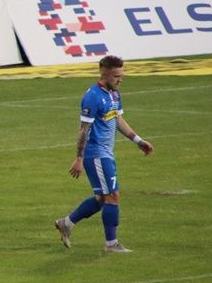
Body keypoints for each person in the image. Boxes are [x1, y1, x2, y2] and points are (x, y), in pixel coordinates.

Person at [55, 55, 154, 253]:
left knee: (102, 198)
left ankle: (67, 223)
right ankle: (111, 244)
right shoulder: (93, 97)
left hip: (106, 153)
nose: (120, 80)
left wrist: (138, 140)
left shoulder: (114, 94)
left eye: (121, 75)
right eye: (116, 76)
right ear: (104, 73)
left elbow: (118, 120)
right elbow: (83, 130)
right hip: (96, 154)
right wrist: (79, 158)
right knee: (112, 196)